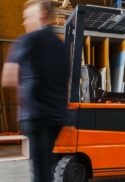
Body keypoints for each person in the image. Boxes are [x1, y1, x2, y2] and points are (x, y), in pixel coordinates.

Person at [1, 0, 70, 181]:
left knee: (40, 172)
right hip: (57, 116)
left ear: (41, 15)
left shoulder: (27, 40)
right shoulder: (61, 46)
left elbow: (8, 77)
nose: (24, 22)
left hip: (36, 116)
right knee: (46, 166)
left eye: (27, 17)